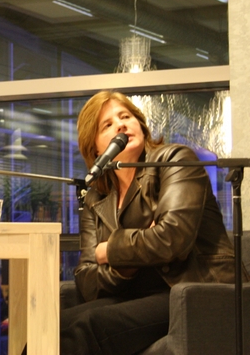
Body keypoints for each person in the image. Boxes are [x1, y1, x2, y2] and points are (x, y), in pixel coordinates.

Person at [57, 90, 247, 354]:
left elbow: (172, 240)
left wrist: (110, 250)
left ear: (141, 126)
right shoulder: (95, 196)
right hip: (132, 296)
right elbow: (88, 279)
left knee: (88, 325)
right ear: (95, 147)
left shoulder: (175, 160)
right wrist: (131, 259)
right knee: (52, 324)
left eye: (126, 116)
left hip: (190, 293)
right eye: (107, 124)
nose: (121, 124)